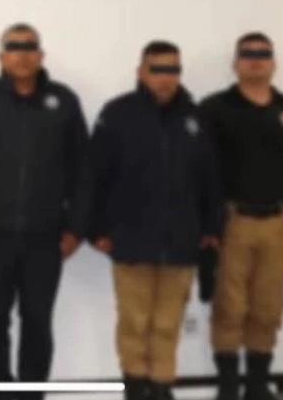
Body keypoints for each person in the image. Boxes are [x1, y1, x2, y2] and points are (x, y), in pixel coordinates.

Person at [0, 23, 88, 400]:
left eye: (29, 48)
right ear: (2, 57)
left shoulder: (63, 102)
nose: (22, 55)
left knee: (37, 322)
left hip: (45, 237)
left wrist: (76, 228)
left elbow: (83, 171)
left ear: (41, 56)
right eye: (14, 47)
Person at [79, 41, 223, 400]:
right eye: (157, 69)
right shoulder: (117, 114)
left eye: (173, 70)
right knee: (134, 322)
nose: (165, 78)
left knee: (168, 323)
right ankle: (135, 387)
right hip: (130, 238)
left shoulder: (196, 118)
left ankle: (161, 387)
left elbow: (211, 179)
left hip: (182, 239)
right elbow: (93, 175)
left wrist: (212, 227)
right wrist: (95, 229)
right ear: (141, 72)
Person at [199, 32, 283, 400]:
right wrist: (208, 223)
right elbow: (202, 171)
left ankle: (258, 384)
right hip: (233, 222)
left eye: (263, 54)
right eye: (248, 54)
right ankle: (229, 386)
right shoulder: (214, 108)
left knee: (268, 307)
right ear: (236, 63)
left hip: (279, 222)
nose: (256, 60)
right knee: (230, 307)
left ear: (274, 63)